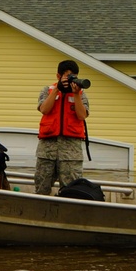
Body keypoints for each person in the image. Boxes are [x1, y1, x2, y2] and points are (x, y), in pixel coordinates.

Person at [35, 59, 89, 195]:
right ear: (58, 76)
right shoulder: (47, 90)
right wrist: (57, 89)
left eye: (74, 77)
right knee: (42, 187)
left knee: (72, 190)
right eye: (68, 76)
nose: (71, 80)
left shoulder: (81, 94)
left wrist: (76, 94)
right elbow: (44, 109)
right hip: (47, 149)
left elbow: (82, 116)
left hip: (71, 151)